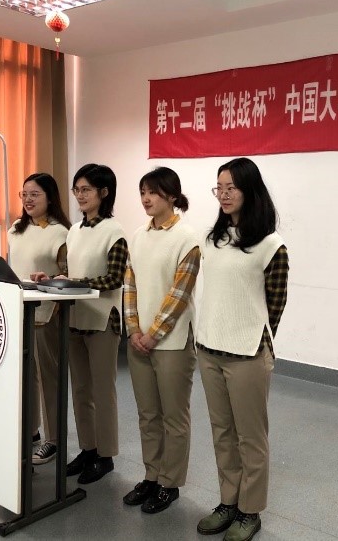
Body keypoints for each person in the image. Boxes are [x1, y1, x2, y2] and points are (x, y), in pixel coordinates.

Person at [195, 158, 289, 541]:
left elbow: (276, 303)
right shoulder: (212, 239)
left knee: (251, 437)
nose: (224, 194)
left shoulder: (271, 245)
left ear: (250, 190)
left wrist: (254, 338)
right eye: (219, 187)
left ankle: (250, 510)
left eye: (231, 187)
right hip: (209, 349)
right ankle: (228, 502)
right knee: (222, 432)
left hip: (248, 352)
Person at [34, 163, 127, 485]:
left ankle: (106, 456)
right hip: (75, 318)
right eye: (77, 189)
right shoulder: (74, 231)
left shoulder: (115, 231)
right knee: (81, 391)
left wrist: (77, 282)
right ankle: (88, 449)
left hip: (102, 320)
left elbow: (115, 278)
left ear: (104, 192)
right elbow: (71, 272)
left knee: (103, 392)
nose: (80, 195)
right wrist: (52, 278)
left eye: (86, 189)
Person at [122, 167, 200, 514]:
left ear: (172, 195)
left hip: (172, 343)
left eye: (152, 192)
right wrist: (134, 329)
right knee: (148, 415)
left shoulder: (187, 239)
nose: (146, 198)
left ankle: (170, 483)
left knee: (173, 417)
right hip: (139, 340)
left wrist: (153, 334)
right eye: (142, 192)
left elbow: (178, 295)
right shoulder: (138, 236)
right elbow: (130, 285)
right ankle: (151, 476)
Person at [8, 173, 71, 466]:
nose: (28, 200)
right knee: (25, 376)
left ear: (50, 197)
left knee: (49, 378)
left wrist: (52, 280)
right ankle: (30, 431)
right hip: (19, 310)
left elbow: (67, 274)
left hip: (48, 313)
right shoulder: (15, 229)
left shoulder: (61, 233)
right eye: (24, 194)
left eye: (35, 194)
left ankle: (54, 440)